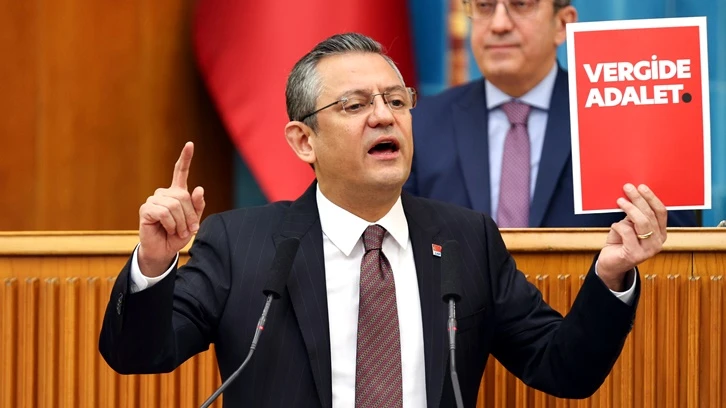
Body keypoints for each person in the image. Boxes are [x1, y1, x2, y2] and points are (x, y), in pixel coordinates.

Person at [99, 33, 667, 408]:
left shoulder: (466, 238)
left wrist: (611, 275)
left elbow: (563, 369)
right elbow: (136, 356)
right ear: (303, 141)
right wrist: (154, 264)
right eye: (355, 105)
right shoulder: (240, 243)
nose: (383, 116)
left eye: (396, 101)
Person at [403, 0, 696, 228]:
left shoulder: (623, 117)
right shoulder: (422, 124)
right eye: (484, 6)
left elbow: (680, 249)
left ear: (562, 23)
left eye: (521, 4)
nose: (499, 24)